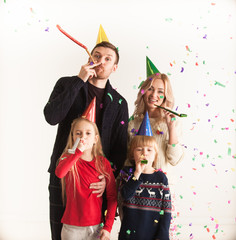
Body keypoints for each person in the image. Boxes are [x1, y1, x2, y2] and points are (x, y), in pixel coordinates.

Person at [44, 41, 128, 240]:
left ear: (114, 68)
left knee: (96, 235)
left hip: (94, 182)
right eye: (97, 56)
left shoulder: (118, 103)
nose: (101, 61)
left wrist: (108, 178)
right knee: (59, 234)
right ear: (89, 59)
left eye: (108, 59)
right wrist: (79, 81)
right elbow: (51, 117)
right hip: (63, 173)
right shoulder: (66, 84)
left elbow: (119, 148)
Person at [128, 72, 184, 239]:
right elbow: (128, 158)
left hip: (162, 193)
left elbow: (174, 159)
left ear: (166, 95)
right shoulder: (133, 122)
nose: (154, 95)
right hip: (136, 192)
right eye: (150, 89)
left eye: (161, 91)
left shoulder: (173, 122)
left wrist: (171, 128)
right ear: (143, 91)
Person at [55, 117, 117, 240]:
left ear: (95, 139)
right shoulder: (68, 159)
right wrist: (77, 152)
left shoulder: (103, 163)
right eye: (78, 133)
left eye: (88, 133)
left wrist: (108, 227)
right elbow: (60, 173)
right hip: (72, 229)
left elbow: (112, 197)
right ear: (73, 137)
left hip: (96, 227)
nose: (83, 137)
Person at [118, 134, 172, 240]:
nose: (144, 153)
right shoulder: (127, 173)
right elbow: (125, 195)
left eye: (149, 150)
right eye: (139, 149)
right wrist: (137, 174)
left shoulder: (161, 178)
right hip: (129, 234)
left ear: (155, 155)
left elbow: (166, 209)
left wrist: (163, 236)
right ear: (132, 155)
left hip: (152, 234)